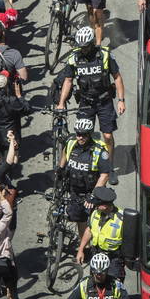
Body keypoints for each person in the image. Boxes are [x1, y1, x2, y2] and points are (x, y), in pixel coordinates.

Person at [59, 27, 125, 184]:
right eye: (81, 47)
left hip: (104, 101)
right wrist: (61, 103)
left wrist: (121, 100)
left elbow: (117, 77)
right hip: (86, 101)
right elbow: (68, 81)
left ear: (92, 43)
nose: (84, 50)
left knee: (107, 136)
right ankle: (79, 165)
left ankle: (108, 168)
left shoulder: (104, 55)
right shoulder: (74, 58)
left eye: (86, 46)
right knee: (81, 135)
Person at [58, 118, 111, 238]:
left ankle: (95, 244)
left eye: (84, 135)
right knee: (79, 219)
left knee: (94, 221)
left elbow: (105, 175)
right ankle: (84, 246)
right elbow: (65, 153)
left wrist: (93, 195)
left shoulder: (99, 150)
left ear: (90, 134)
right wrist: (60, 169)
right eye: (78, 134)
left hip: (91, 191)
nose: (80, 137)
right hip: (75, 190)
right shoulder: (71, 142)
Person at [53, 253, 131, 299]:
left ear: (107, 271)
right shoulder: (84, 284)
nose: (99, 275)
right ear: (92, 271)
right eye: (96, 273)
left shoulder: (115, 284)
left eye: (102, 273)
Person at [76, 186, 126, 280]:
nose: (94, 205)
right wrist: (81, 250)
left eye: (97, 203)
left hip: (114, 261)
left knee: (113, 287)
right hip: (96, 256)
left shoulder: (122, 219)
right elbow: (89, 230)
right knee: (96, 285)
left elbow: (130, 242)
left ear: (104, 206)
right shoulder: (95, 213)